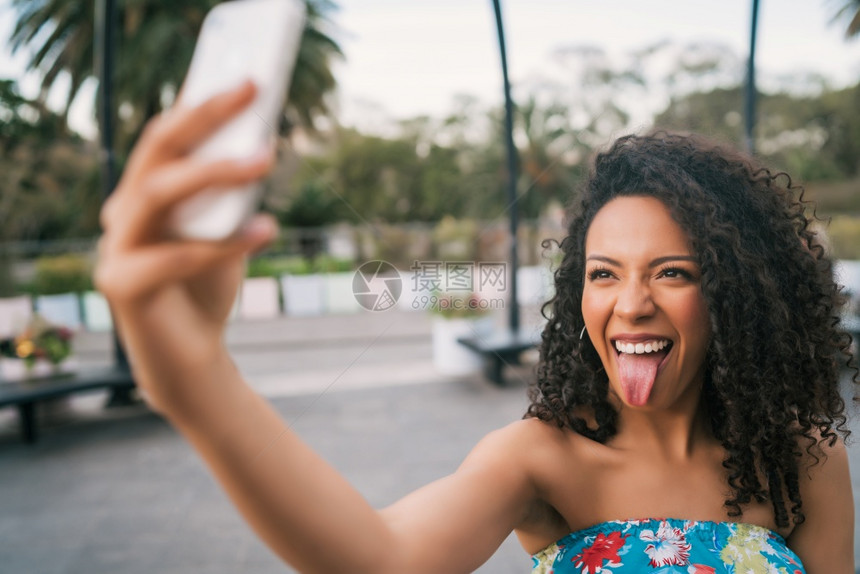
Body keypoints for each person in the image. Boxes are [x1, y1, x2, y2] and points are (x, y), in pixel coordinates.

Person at [95, 80, 855, 573]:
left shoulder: (805, 462)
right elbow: (379, 558)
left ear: (739, 294)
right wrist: (197, 381)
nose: (630, 304)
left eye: (673, 271)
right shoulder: (539, 460)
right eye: (603, 272)